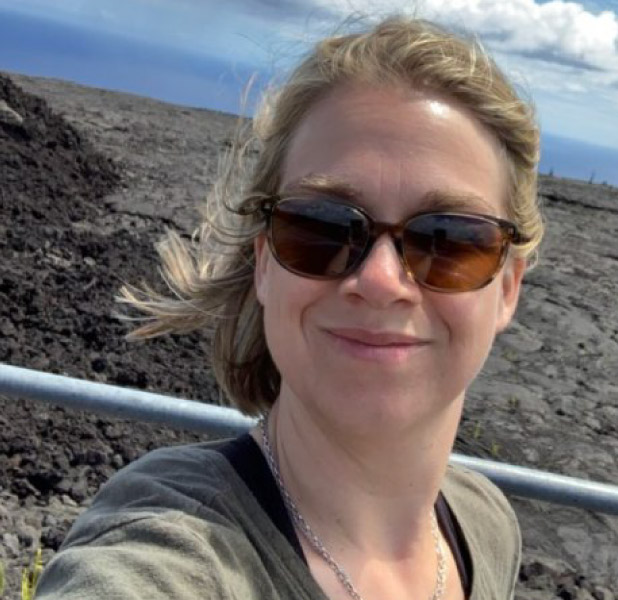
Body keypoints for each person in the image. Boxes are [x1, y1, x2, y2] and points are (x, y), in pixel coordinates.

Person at [35, 15, 543, 600]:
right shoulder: (171, 552)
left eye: (449, 241)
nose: (381, 281)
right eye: (321, 227)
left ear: (508, 288)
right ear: (264, 264)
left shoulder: (485, 526)